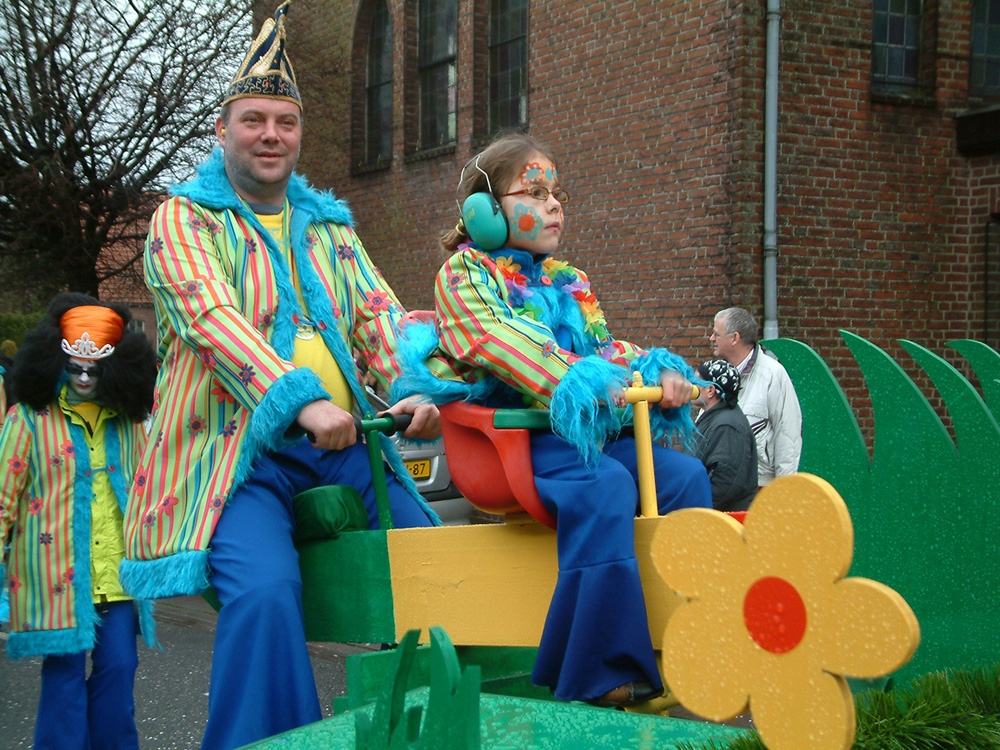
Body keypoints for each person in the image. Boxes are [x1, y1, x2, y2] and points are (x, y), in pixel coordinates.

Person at [118, 4, 441, 749]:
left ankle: (431, 728)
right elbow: (209, 319)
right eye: (254, 120)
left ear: (299, 134)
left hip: (348, 444)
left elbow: (378, 317)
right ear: (223, 130)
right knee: (264, 595)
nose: (271, 135)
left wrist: (414, 385)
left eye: (285, 123)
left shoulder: (331, 228)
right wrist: (301, 401)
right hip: (234, 457)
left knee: (436, 567)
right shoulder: (183, 220)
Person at [393, 132, 712, 707]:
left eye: (556, 193)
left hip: (575, 437)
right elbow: (502, 341)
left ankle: (687, 636)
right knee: (605, 485)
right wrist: (584, 380)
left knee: (684, 478)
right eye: (535, 193)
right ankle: (598, 670)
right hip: (507, 441)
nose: (554, 205)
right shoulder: (465, 275)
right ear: (486, 212)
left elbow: (604, 350)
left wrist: (657, 370)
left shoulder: (567, 281)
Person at [0, 293, 158, 750]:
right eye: (75, 367)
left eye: (96, 369)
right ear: (56, 361)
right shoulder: (27, 419)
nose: (85, 377)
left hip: (117, 578)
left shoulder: (129, 422)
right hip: (54, 577)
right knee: (64, 676)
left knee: (120, 668)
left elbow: (147, 489)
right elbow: (3, 496)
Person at [711, 307, 802, 485]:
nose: (711, 338)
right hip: (721, 487)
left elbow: (788, 436)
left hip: (761, 486)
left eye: (716, 334)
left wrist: (783, 491)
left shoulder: (772, 374)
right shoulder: (714, 375)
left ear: (735, 338)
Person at [692, 359, 758, 511]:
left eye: (696, 382)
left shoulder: (727, 426)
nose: (691, 386)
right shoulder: (717, 418)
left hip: (718, 519)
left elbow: (725, 482)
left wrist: (697, 509)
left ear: (711, 390)